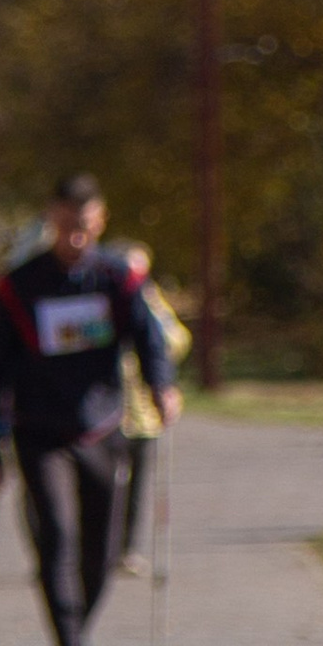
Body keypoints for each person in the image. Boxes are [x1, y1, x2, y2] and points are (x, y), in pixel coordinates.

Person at [0, 176, 178, 646]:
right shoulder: (17, 288)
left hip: (103, 431)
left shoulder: (116, 279)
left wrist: (162, 386)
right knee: (57, 540)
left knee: (102, 552)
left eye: (84, 228)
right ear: (52, 221)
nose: (76, 239)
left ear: (100, 221)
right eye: (66, 227)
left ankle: (75, 633)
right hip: (40, 434)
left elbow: (150, 337)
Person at [114, 245, 191, 574]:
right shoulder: (106, 298)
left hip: (144, 414)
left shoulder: (153, 303)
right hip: (109, 413)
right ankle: (98, 547)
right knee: (106, 484)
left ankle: (127, 550)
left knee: (136, 484)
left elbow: (177, 340)